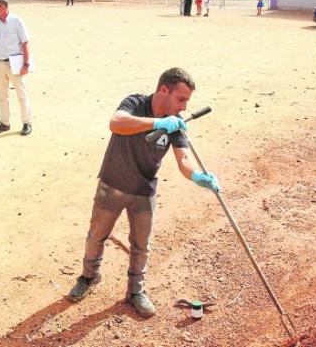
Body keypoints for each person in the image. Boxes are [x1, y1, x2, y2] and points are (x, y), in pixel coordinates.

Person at [67, 67, 221, 318]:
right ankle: (88, 277)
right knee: (96, 236)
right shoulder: (136, 103)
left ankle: (135, 291)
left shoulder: (176, 125)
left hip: (143, 191)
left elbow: (184, 160)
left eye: (186, 102)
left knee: (142, 245)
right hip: (112, 185)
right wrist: (158, 123)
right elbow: (116, 123)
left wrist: (197, 176)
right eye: (180, 99)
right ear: (163, 90)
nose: (183, 107)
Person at [0, 0, 33, 136]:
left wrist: (26, 63)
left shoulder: (16, 21)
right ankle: (4, 122)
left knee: (21, 94)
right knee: (2, 95)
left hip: (15, 62)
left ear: (3, 7)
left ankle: (27, 122)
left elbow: (25, 43)